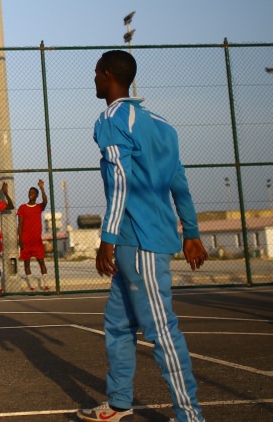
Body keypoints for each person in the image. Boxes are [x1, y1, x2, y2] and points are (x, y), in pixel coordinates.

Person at [78, 50, 208, 422]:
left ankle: (190, 414)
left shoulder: (110, 119)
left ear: (107, 75)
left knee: (161, 330)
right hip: (140, 240)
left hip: (140, 241)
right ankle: (119, 403)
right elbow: (178, 180)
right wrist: (191, 231)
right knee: (117, 325)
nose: (93, 81)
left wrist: (108, 237)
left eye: (95, 74)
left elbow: (120, 180)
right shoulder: (162, 124)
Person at [17, 179, 50, 292]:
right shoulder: (22, 208)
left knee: (41, 262)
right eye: (29, 192)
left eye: (33, 193)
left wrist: (41, 188)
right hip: (26, 240)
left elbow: (45, 202)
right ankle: (31, 286)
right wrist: (20, 239)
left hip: (36, 240)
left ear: (36, 196)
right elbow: (20, 224)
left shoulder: (39, 207)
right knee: (27, 263)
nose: (31, 194)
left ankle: (46, 285)